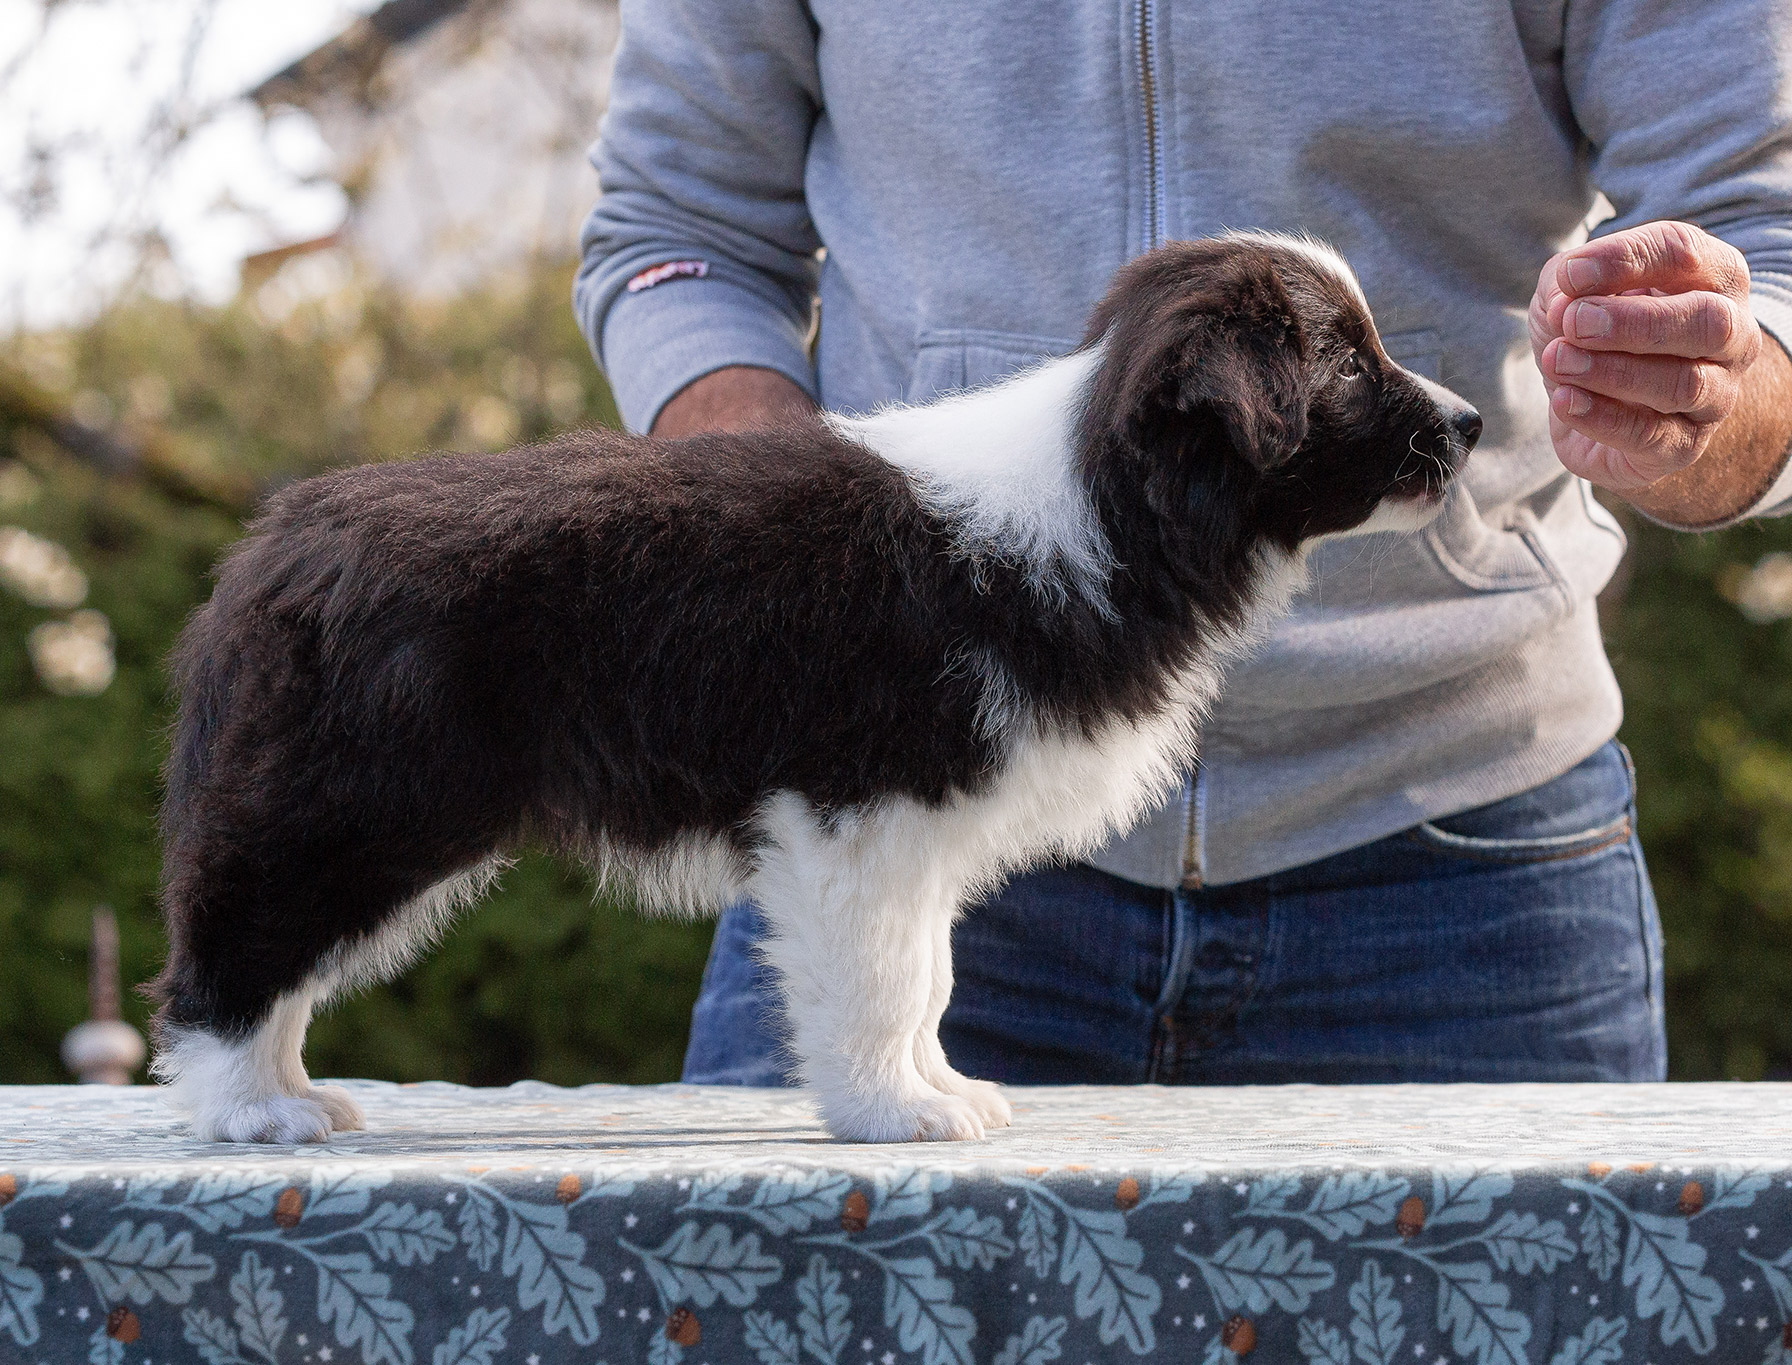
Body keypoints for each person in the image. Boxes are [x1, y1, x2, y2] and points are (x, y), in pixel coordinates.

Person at [572, 0, 1792, 1087]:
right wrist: (811, 564)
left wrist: (1713, 393)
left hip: (1460, 865)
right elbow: (676, 237)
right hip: (903, 805)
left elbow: (1766, 261)